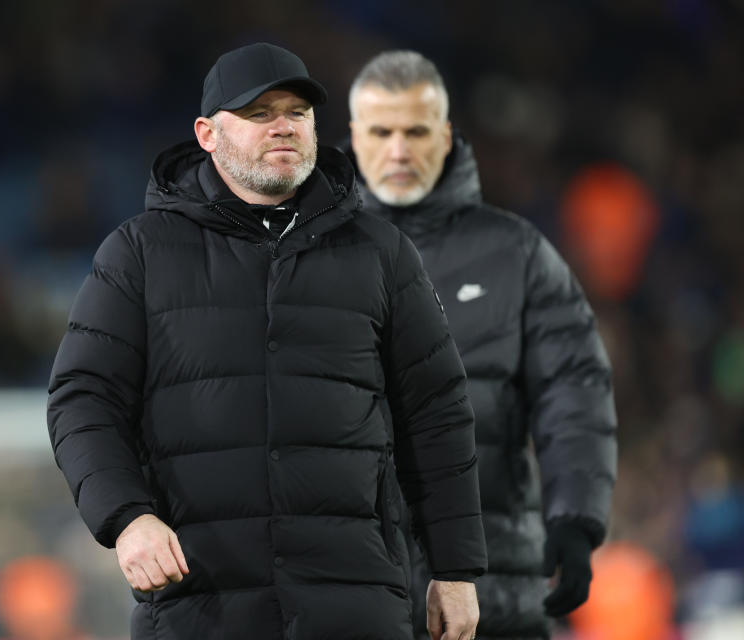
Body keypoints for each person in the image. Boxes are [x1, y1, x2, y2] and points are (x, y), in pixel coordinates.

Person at [47, 42, 486, 639]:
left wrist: (456, 568)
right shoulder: (139, 253)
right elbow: (83, 400)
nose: (283, 126)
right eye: (259, 114)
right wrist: (127, 519)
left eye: (297, 113)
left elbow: (437, 412)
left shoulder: (382, 253)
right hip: (199, 605)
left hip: (356, 603)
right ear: (207, 133)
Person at [346, 50, 618, 639]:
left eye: (416, 131)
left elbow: (575, 392)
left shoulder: (517, 255)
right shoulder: (308, 257)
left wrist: (576, 519)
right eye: (381, 131)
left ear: (445, 136)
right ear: (351, 137)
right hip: (353, 594)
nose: (398, 151)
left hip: (493, 593)